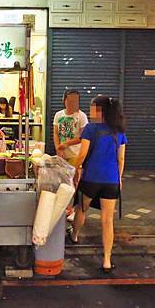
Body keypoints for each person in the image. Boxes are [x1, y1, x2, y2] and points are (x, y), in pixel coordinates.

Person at [70, 95, 127, 274]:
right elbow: (121, 158)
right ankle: (107, 260)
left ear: (100, 110)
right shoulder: (119, 132)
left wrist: (75, 169)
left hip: (91, 178)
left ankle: (75, 235)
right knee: (107, 219)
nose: (90, 110)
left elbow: (82, 154)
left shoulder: (90, 129)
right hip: (111, 181)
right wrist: (119, 178)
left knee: (82, 208)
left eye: (92, 107)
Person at [53, 90, 88, 222]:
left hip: (76, 154)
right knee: (63, 182)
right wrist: (58, 148)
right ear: (64, 100)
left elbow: (83, 137)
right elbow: (56, 134)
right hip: (62, 155)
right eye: (70, 100)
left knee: (74, 182)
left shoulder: (82, 116)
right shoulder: (58, 115)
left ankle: (74, 209)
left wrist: (66, 144)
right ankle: (66, 208)